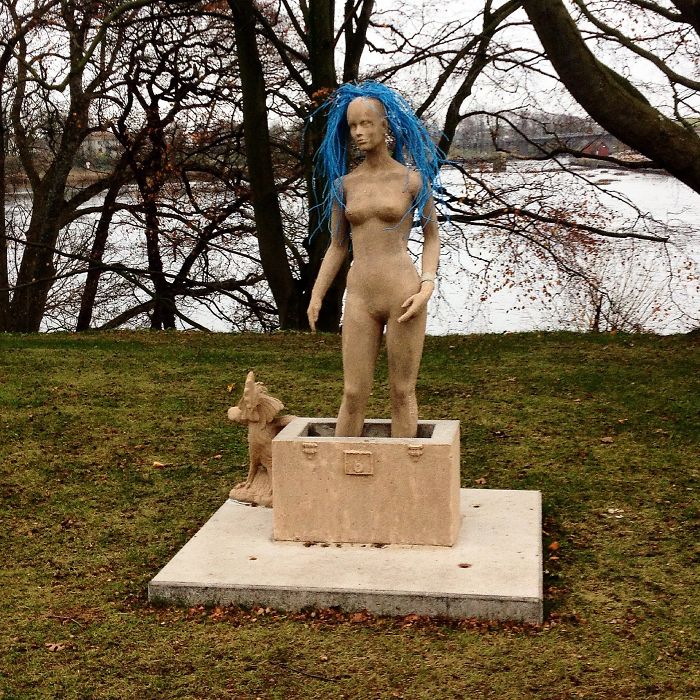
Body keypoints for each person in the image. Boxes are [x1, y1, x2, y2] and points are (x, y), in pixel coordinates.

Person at [307, 82, 442, 438]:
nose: (358, 132)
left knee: (402, 391)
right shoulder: (344, 185)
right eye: (352, 125)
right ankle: (340, 469)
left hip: (404, 294)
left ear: (385, 126)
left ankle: (406, 471)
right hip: (360, 296)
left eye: (366, 123)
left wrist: (427, 284)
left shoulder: (412, 181)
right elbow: (337, 246)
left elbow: (432, 237)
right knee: (353, 392)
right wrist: (317, 294)